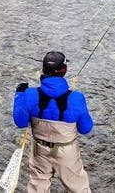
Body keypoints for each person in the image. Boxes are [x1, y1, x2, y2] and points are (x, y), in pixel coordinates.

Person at [13, 51, 94, 193]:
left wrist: (19, 95)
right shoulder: (76, 98)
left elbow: (20, 122)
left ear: (43, 69)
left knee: (38, 187)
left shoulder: (30, 94)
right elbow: (86, 129)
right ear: (64, 70)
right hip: (67, 151)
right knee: (78, 188)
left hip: (40, 149)